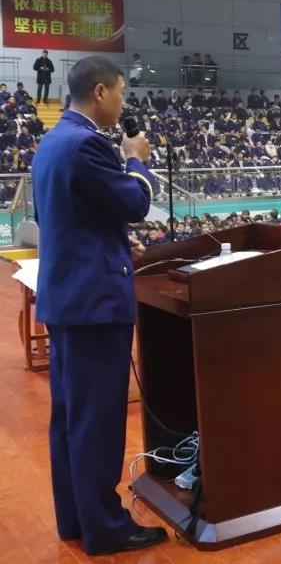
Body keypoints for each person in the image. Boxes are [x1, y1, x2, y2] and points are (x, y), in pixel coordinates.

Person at [32, 56, 166, 554]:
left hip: (68, 297)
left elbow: (66, 217)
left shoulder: (53, 141)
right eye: (121, 92)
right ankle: (107, 528)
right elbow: (135, 202)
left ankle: (76, 518)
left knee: (70, 417)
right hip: (95, 303)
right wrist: (135, 158)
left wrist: (110, 241)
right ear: (100, 92)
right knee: (97, 420)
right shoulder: (88, 144)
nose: (124, 103)